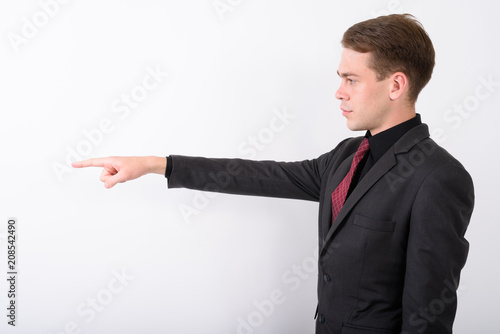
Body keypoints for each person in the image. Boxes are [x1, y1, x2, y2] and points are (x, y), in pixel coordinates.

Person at [72, 14, 474, 334]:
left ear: (396, 84)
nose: (339, 92)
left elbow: (427, 317)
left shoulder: (438, 178)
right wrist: (156, 164)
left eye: (352, 80)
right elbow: (260, 175)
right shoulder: (346, 156)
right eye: (340, 79)